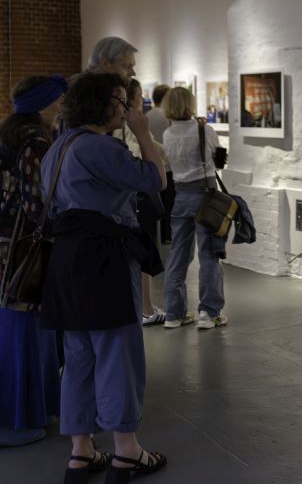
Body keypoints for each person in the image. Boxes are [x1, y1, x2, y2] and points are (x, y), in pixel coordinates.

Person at [40, 73, 168, 482]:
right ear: (102, 104)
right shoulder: (100, 147)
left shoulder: (57, 148)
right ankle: (127, 452)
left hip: (66, 261)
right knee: (117, 354)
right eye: (119, 100)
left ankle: (81, 453)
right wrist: (143, 132)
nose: (125, 108)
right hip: (104, 260)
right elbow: (156, 181)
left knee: (78, 358)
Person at [0, 76, 66, 448]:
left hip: (5, 248)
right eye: (57, 104)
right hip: (24, 253)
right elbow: (36, 203)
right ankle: (20, 419)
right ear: (43, 106)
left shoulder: (8, 134)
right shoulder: (36, 142)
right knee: (27, 332)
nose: (59, 110)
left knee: (10, 330)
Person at [161, 87, 228, 330]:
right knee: (209, 254)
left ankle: (173, 314)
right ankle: (208, 314)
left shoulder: (168, 134)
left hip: (181, 195)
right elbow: (217, 159)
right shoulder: (205, 130)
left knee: (178, 256)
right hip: (205, 196)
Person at [119, 80, 172, 327]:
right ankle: (147, 309)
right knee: (143, 252)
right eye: (140, 95)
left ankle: (145, 307)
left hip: (130, 198)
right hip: (137, 197)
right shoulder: (131, 123)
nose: (143, 99)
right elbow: (141, 152)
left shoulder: (129, 122)